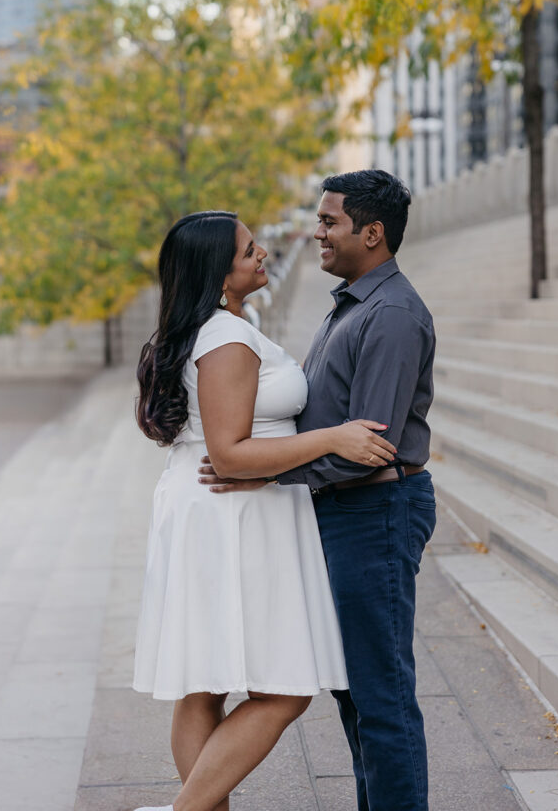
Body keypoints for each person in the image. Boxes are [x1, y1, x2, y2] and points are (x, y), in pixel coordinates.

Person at [131, 209, 396, 811]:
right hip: (232, 516)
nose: (263, 255)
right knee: (283, 689)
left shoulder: (222, 324)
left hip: (218, 510)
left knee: (204, 685)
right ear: (216, 273)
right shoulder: (225, 336)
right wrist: (334, 439)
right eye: (249, 250)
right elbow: (229, 454)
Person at [201, 170, 437, 811]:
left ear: (373, 231)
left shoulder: (389, 315)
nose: (318, 232)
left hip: (376, 511)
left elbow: (370, 449)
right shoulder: (354, 304)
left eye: (330, 222)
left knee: (380, 692)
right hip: (343, 512)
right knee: (355, 692)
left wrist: (264, 470)